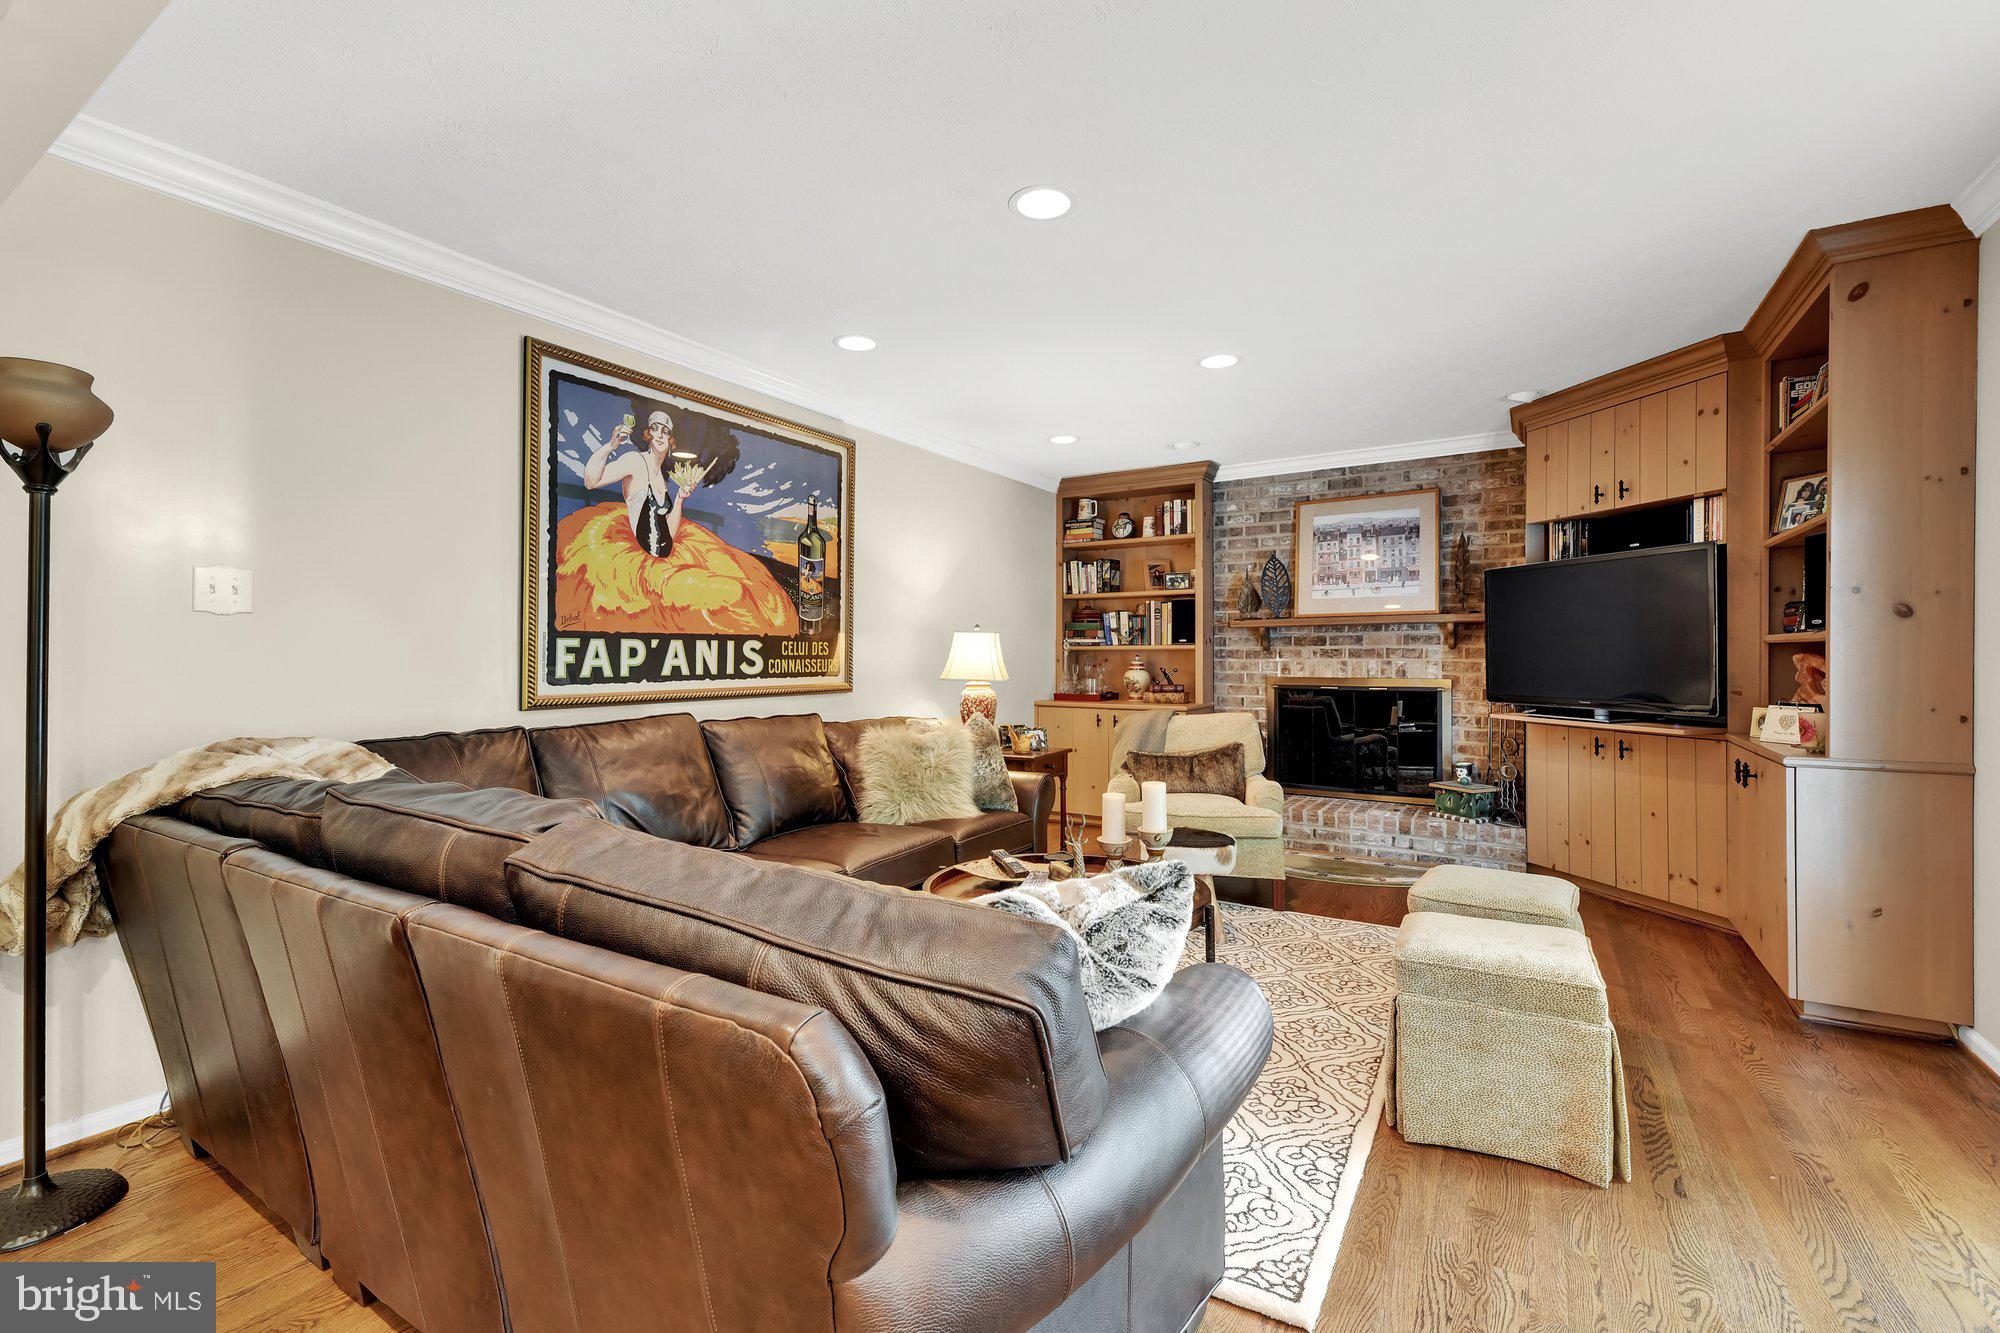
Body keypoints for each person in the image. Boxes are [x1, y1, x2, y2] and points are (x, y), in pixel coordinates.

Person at [555, 405, 799, 636]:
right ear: (647, 434)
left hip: (668, 555)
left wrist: (680, 498)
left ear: (671, 439)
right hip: (639, 562)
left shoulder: (662, 479)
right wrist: (610, 446)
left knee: (742, 582)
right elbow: (591, 481)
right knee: (722, 597)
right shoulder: (634, 461)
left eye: (666, 430)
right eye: (655, 428)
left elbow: (669, 533)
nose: (660, 434)